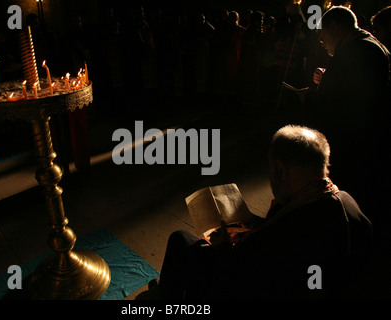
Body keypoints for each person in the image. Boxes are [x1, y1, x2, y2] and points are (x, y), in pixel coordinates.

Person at [145, 125, 372, 299]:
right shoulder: (348, 204)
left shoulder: (285, 232)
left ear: (281, 169)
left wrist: (223, 245)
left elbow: (238, 275)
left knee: (182, 240)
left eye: (272, 169)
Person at [305, 6, 391, 221]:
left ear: (334, 26)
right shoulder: (364, 46)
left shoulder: (360, 50)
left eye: (322, 35)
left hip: (356, 142)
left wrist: (307, 98)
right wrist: (328, 77)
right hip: (362, 137)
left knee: (353, 198)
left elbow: (348, 103)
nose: (321, 42)